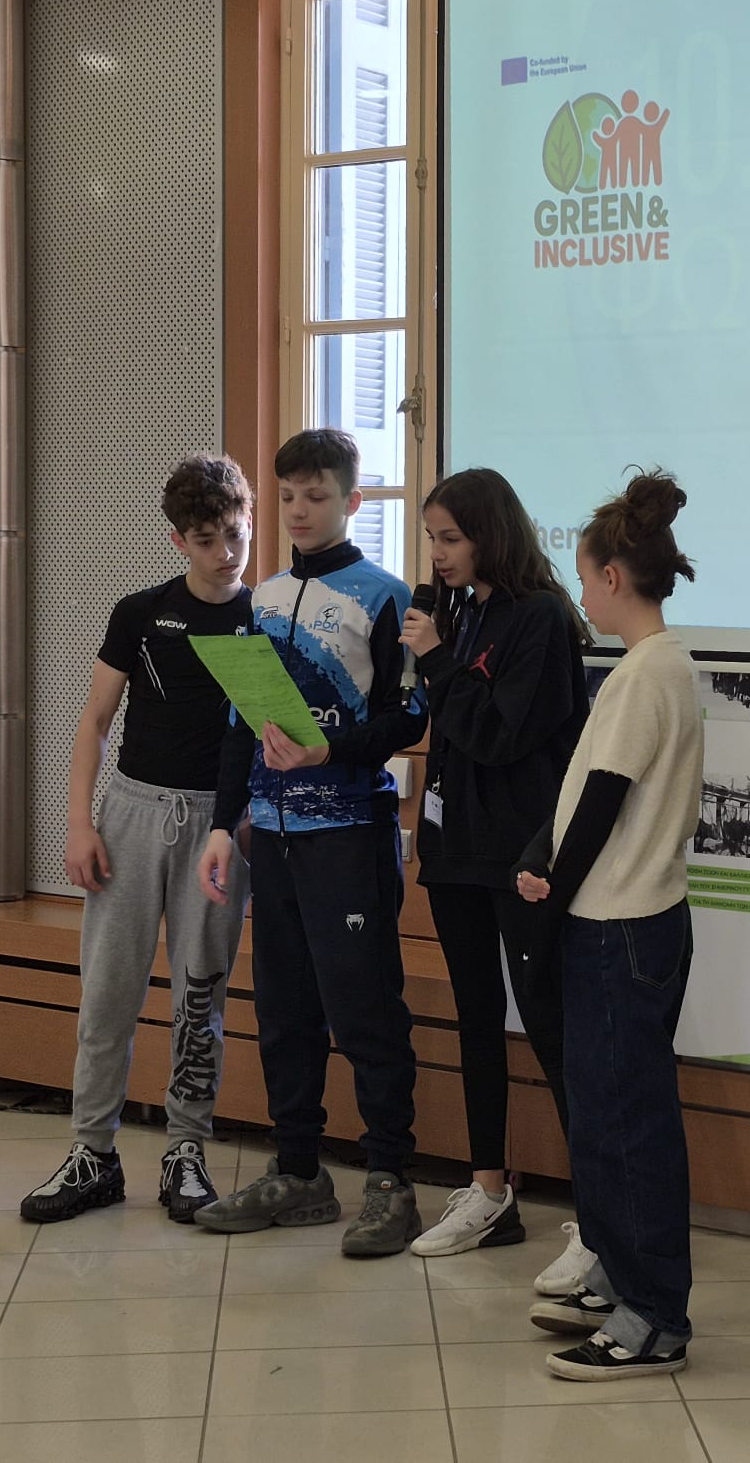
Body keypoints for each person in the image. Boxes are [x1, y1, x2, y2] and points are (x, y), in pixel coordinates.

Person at [194, 428, 431, 1257]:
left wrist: (331, 751)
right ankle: (298, 1172)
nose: (299, 510)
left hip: (350, 833)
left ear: (352, 501)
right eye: (288, 496)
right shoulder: (260, 599)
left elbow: (408, 719)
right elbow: (239, 726)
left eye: (317, 496)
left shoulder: (386, 596)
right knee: (284, 1012)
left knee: (365, 1011)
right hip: (273, 836)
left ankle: (391, 1181)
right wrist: (222, 826)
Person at [21, 456, 255, 1225]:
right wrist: (79, 822)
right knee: (108, 991)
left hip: (218, 828)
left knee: (199, 997)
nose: (226, 551)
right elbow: (94, 721)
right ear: (178, 541)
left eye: (235, 532)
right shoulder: (142, 613)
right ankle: (93, 1151)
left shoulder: (264, 618)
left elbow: (265, 735)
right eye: (207, 539)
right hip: (129, 813)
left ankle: (186, 1150)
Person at [514, 469, 703, 1381]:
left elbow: (598, 807)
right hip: (638, 922)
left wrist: (548, 907)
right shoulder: (664, 665)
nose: (583, 596)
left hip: (617, 927)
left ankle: (653, 1316)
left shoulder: (643, 674)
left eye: (586, 579)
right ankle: (626, 1283)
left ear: (615, 578)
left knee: (624, 1126)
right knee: (612, 1118)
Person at [399, 468, 598, 1299]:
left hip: (519, 855)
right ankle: (489, 1191)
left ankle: (600, 1219)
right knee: (474, 1016)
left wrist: (439, 661)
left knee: (550, 1024)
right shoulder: (457, 612)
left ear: (491, 533)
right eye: (432, 538)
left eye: (451, 538)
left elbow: (500, 736)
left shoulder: (541, 617)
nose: (438, 554)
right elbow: (446, 730)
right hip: (455, 848)